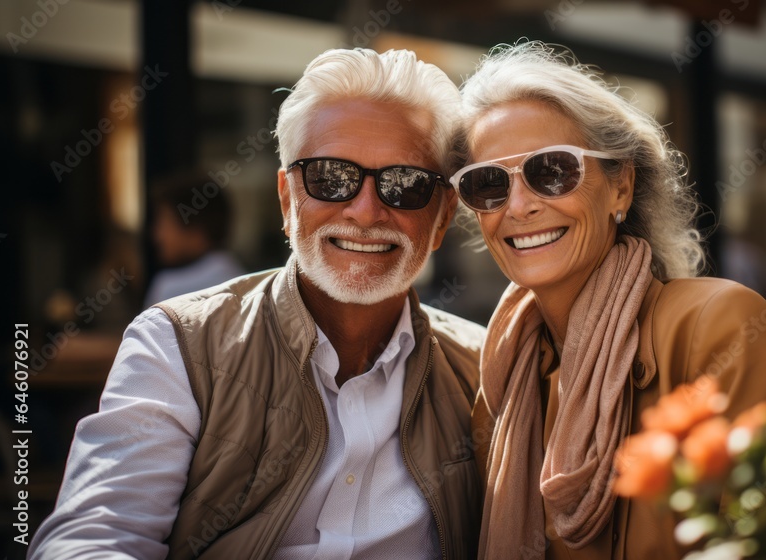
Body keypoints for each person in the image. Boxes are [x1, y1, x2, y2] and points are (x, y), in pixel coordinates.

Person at [29, 48, 484, 559]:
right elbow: (92, 539)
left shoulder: (488, 370)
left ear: (443, 217)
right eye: (331, 177)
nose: (364, 211)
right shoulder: (178, 345)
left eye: (404, 183)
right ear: (287, 200)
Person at [451, 42, 766, 559]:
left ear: (621, 187)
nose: (519, 206)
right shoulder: (501, 383)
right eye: (488, 183)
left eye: (552, 170)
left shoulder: (719, 327)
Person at [144, 172, 246, 308]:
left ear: (197, 232)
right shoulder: (239, 279)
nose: (157, 235)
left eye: (165, 224)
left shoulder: (168, 288)